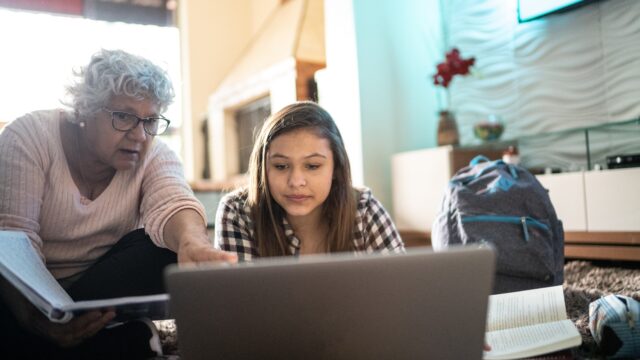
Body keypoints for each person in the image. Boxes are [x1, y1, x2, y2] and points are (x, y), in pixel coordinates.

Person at [0, 49, 237, 358]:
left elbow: (173, 201)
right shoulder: (29, 136)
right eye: (123, 116)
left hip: (97, 286)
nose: (139, 135)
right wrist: (38, 320)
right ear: (85, 110)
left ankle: (78, 340)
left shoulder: (153, 153)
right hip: (28, 290)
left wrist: (192, 242)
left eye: (150, 120)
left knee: (167, 250)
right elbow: (13, 243)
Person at [215, 101, 404, 261]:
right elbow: (241, 302)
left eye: (312, 166)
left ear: (336, 169)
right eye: (281, 166)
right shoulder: (237, 212)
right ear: (263, 168)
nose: (296, 181)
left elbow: (401, 288)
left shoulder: (364, 209)